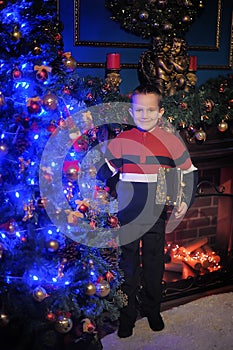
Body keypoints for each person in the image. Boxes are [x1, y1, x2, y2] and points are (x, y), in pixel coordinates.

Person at [97, 85, 198, 338]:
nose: (144, 115)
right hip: (128, 213)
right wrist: (112, 188)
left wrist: (185, 199)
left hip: (155, 212)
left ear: (160, 112)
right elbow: (104, 171)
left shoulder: (171, 141)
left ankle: (153, 309)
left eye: (150, 110)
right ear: (131, 113)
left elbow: (189, 171)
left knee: (154, 263)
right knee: (127, 267)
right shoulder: (122, 140)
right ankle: (127, 315)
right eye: (139, 110)